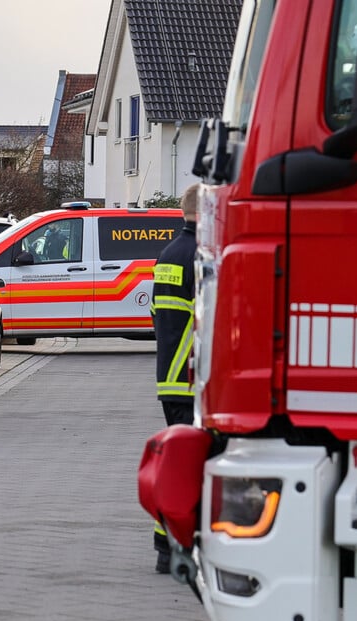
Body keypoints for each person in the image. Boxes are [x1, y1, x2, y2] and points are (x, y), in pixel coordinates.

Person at [149, 182, 199, 573]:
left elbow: (157, 316)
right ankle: (176, 545)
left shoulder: (168, 253)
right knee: (193, 467)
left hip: (170, 377)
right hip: (194, 379)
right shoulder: (203, 256)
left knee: (176, 463)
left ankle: (165, 543)